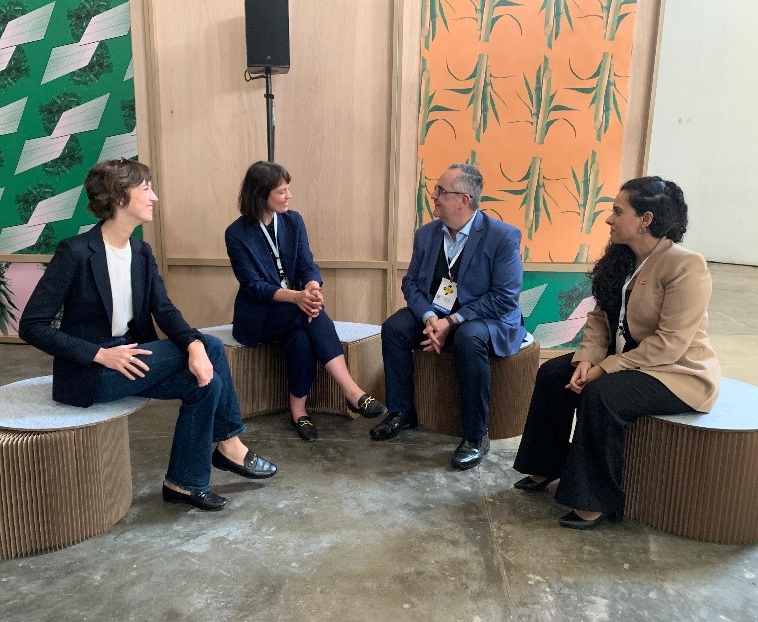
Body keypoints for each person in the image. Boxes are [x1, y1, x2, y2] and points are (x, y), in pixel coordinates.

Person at [19, 159, 277, 513]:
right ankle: (231, 445)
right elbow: (32, 326)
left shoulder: (141, 252)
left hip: (134, 357)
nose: (154, 197)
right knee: (212, 349)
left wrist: (193, 344)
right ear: (119, 197)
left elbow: (164, 309)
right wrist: (99, 354)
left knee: (207, 383)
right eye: (145, 189)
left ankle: (183, 483)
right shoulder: (75, 252)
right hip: (91, 371)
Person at [512, 176, 721, 530]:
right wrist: (586, 360)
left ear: (646, 219)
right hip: (626, 359)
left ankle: (596, 500)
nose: (609, 219)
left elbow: (671, 343)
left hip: (675, 371)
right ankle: (546, 465)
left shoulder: (685, 266)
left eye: (617, 211)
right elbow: (598, 320)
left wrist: (606, 368)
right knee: (553, 375)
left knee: (601, 394)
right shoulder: (621, 259)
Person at [375, 163, 526, 469]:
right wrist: (430, 316)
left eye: (442, 191)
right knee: (394, 328)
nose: (434, 196)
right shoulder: (427, 234)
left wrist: (452, 322)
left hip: (485, 319)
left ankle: (475, 435)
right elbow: (412, 283)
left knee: (470, 339)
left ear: (464, 199)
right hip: (438, 312)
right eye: (436, 190)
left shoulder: (502, 237)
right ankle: (402, 411)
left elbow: (504, 297)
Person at [225, 161, 388, 442]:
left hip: (295, 308)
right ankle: (351, 391)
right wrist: (297, 297)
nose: (289, 196)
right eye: (282, 191)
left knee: (301, 336)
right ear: (261, 195)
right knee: (309, 313)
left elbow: (306, 263)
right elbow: (253, 287)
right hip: (259, 315)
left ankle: (299, 412)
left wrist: (312, 285)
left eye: (289, 190)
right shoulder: (237, 233)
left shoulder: (293, 221)